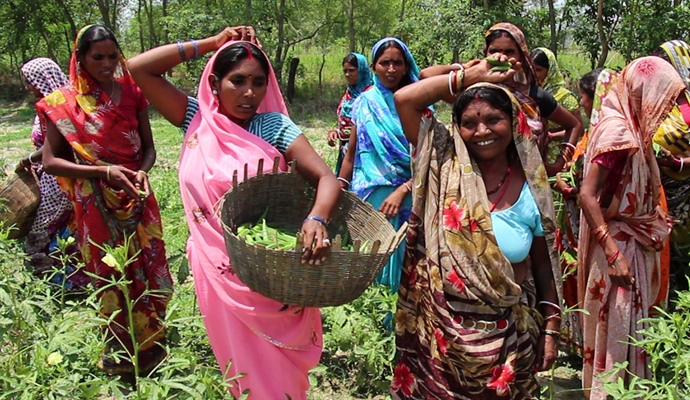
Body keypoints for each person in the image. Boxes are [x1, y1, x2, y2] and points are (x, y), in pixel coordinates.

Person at [128, 26, 340, 398]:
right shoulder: (197, 119)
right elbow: (139, 67)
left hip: (270, 270)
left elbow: (326, 177)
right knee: (239, 368)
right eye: (237, 81)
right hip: (219, 271)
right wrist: (211, 44)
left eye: (258, 82)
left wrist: (316, 218)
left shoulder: (273, 126)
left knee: (281, 374)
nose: (248, 93)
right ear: (214, 81)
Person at [392, 65, 561, 397]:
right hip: (443, 338)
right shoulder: (444, 161)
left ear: (513, 122)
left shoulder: (531, 188)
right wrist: (466, 76)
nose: (482, 130)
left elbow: (543, 266)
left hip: (508, 341)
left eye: (493, 120)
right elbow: (405, 100)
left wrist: (551, 331)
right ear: (456, 128)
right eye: (469, 123)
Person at [37, 24, 172, 380]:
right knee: (110, 275)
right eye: (98, 57)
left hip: (136, 195)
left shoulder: (131, 90)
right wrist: (104, 172)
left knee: (147, 267)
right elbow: (50, 161)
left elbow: (149, 147)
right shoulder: (62, 103)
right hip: (95, 200)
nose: (107, 63)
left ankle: (152, 345)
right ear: (80, 57)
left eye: (113, 55)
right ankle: (120, 356)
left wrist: (141, 171)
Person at [577, 56, 683, 399]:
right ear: (642, 94)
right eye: (662, 100)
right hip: (619, 249)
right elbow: (588, 196)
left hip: (631, 239)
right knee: (619, 331)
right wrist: (612, 252)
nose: (666, 110)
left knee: (629, 328)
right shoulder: (618, 131)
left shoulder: (633, 127)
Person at [336, 38, 421, 294]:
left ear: (406, 66)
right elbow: (351, 154)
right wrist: (340, 187)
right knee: (374, 257)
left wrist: (404, 189)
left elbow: (430, 158)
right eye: (385, 63)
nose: (391, 69)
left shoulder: (418, 102)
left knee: (406, 261)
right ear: (373, 67)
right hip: (371, 196)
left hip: (410, 194)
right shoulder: (364, 103)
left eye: (398, 63)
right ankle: (377, 321)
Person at [17, 58, 88, 290]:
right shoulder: (49, 105)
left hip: (58, 182)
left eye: (30, 80)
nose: (28, 86)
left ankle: (59, 283)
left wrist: (27, 160)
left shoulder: (59, 107)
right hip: (53, 178)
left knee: (44, 230)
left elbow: (54, 148)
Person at [549, 68, 603, 356]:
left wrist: (570, 188)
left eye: (583, 97)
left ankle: (591, 346)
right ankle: (578, 345)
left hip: (590, 223)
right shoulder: (592, 133)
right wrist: (561, 178)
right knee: (573, 275)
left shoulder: (609, 137)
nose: (580, 102)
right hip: (573, 222)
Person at [652, 40, 690, 293]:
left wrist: (678, 163)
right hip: (659, 187)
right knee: (665, 249)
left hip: (686, 187)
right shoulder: (653, 100)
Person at [531, 47, 583, 164]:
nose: (534, 74)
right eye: (531, 70)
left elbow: (579, 131)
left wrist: (551, 136)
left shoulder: (564, 97)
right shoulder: (528, 93)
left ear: (550, 71)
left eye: (538, 70)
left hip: (557, 158)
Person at [327, 52, 373, 175]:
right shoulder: (349, 94)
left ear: (362, 70)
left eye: (352, 70)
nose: (348, 74)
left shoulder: (371, 95)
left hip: (365, 154)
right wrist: (336, 132)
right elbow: (346, 122)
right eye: (345, 71)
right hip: (346, 152)